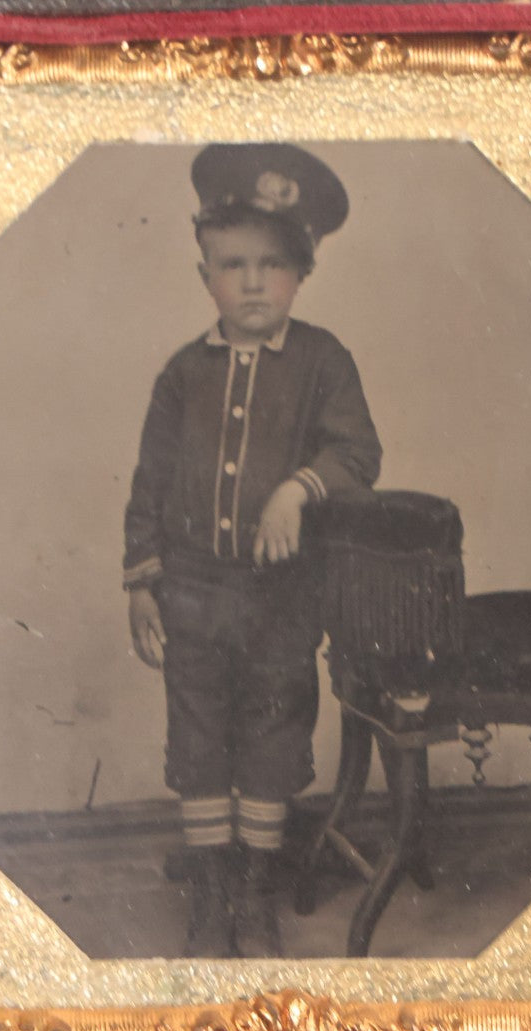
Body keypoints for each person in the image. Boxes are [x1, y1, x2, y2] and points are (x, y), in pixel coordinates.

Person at [123, 143, 382, 958]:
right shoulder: (181, 374)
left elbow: (357, 455)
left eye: (272, 265)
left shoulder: (322, 360)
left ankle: (253, 894)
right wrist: (141, 582)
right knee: (199, 738)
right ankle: (210, 899)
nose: (253, 282)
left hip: (281, 597)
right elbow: (149, 483)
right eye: (233, 265)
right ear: (205, 274)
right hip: (191, 592)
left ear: (302, 273)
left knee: (272, 736)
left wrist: (296, 489)